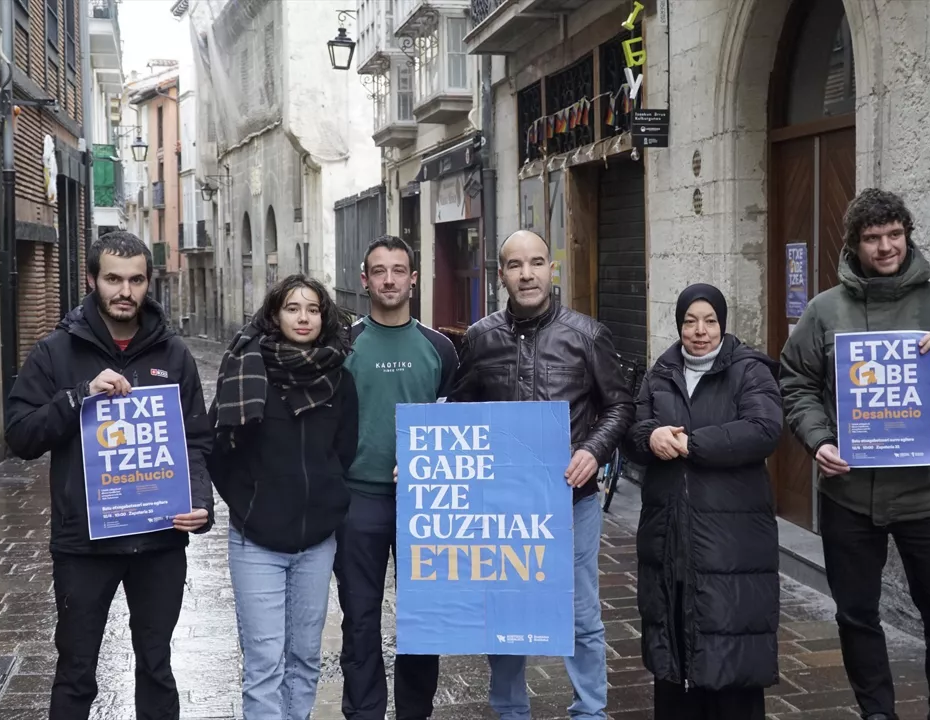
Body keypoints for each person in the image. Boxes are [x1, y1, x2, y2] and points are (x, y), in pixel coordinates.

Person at [779, 188, 930, 720]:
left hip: (928, 492)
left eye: (894, 235)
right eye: (873, 238)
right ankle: (878, 713)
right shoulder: (824, 310)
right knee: (856, 615)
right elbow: (795, 384)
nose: (885, 247)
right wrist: (818, 440)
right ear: (854, 244)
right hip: (849, 493)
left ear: (908, 234)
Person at [4, 230, 214, 720]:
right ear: (93, 280)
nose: (126, 291)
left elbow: (196, 441)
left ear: (148, 282)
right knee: (76, 673)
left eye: (136, 280)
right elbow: (20, 436)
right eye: (114, 279)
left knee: (157, 667)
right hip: (84, 546)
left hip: (159, 543)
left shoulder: (174, 354)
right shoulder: (57, 352)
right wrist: (79, 396)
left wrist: (199, 503)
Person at [447, 229, 633, 720]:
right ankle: (511, 710)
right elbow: (459, 413)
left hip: (572, 501)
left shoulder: (587, 334)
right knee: (505, 610)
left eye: (536, 263)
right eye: (514, 264)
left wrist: (593, 450)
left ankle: (590, 711)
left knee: (580, 614)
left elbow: (620, 406)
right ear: (501, 274)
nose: (526, 274)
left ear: (553, 268)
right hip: (503, 506)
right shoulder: (481, 338)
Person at [622, 283, 782, 718]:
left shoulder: (749, 370)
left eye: (709, 320)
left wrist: (694, 444)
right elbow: (634, 432)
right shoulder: (662, 373)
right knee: (674, 646)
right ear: (679, 325)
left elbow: (763, 429)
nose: (700, 331)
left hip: (732, 540)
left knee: (731, 645)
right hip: (669, 536)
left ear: (723, 324)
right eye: (690, 321)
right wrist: (651, 436)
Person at [207, 274, 358, 720]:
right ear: (275, 315)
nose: (304, 317)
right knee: (264, 664)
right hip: (257, 543)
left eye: (312, 309)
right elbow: (219, 450)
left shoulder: (339, 380)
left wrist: (328, 498)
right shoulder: (247, 371)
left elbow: (343, 451)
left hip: (316, 543)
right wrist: (249, 503)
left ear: (324, 316)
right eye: (293, 308)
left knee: (306, 659)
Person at [334, 235, 458, 720]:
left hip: (424, 504)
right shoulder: (344, 343)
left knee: (422, 619)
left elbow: (454, 424)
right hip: (357, 501)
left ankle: (414, 711)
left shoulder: (441, 349)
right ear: (365, 280)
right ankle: (363, 712)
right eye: (379, 270)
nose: (389, 279)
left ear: (413, 278)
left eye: (398, 270)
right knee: (359, 618)